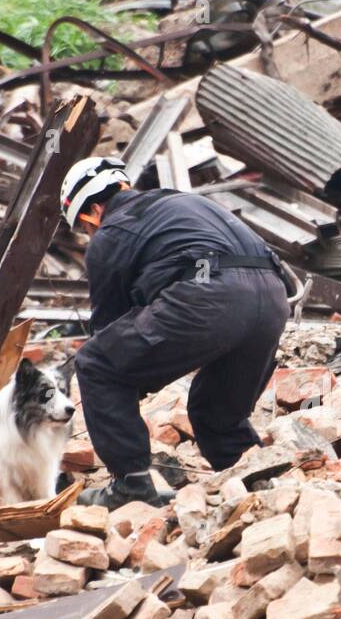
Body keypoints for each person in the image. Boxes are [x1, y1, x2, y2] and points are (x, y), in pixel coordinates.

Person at [61, 156, 291, 510]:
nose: (89, 235)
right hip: (272, 298)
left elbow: (109, 331)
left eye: (83, 227)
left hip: (213, 296)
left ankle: (131, 486)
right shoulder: (184, 201)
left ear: (92, 211)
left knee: (95, 363)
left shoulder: (110, 233)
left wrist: (114, 399)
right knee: (214, 413)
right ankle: (262, 480)